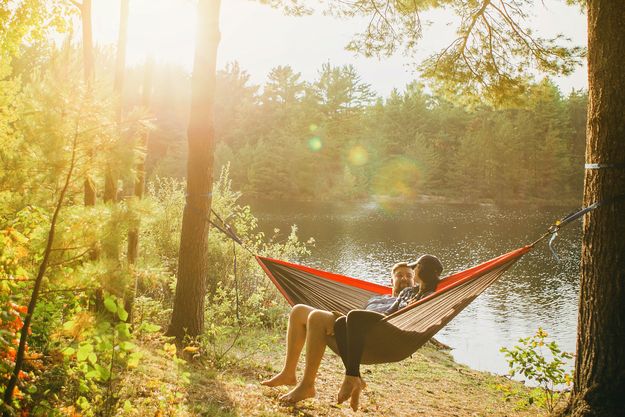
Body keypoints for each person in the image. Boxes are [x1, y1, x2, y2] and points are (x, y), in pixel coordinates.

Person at [260, 261, 415, 403]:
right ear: (391, 281)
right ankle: (288, 373)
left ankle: (307, 386)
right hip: (352, 330)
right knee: (298, 311)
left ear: (415, 281)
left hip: (376, 340)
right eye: (399, 275)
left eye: (409, 276)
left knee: (317, 317)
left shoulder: (411, 300)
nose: (404, 278)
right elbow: (360, 315)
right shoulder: (376, 298)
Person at [334, 254, 444, 411]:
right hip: (388, 321)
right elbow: (392, 309)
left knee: (353, 316)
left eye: (416, 267)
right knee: (340, 324)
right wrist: (379, 317)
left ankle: (350, 377)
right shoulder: (408, 292)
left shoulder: (431, 297)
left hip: (399, 332)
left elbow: (428, 317)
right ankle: (355, 377)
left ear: (421, 270)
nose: (413, 270)